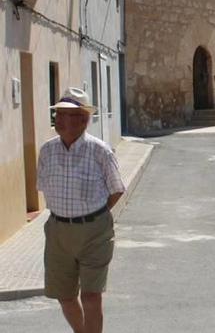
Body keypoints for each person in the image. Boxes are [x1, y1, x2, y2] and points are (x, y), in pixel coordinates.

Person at [37, 87, 126, 333]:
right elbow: (43, 187)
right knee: (64, 296)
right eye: (59, 114)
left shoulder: (100, 151)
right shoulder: (47, 150)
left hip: (95, 232)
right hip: (58, 232)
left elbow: (117, 188)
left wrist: (94, 214)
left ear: (84, 120)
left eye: (69, 114)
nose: (61, 120)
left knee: (90, 296)